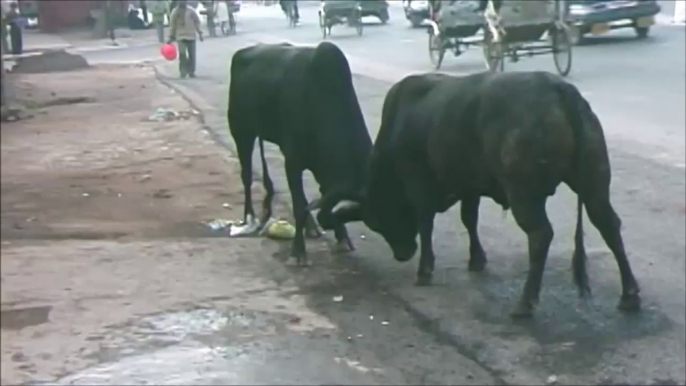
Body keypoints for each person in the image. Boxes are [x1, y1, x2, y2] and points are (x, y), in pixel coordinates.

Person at [168, 0, 203, 78]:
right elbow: (172, 25)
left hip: (191, 36)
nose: (182, 2)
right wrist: (171, 36)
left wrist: (200, 32)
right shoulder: (175, 12)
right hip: (180, 36)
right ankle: (183, 71)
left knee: (192, 55)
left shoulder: (191, 11)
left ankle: (191, 71)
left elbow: (197, 22)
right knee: (182, 54)